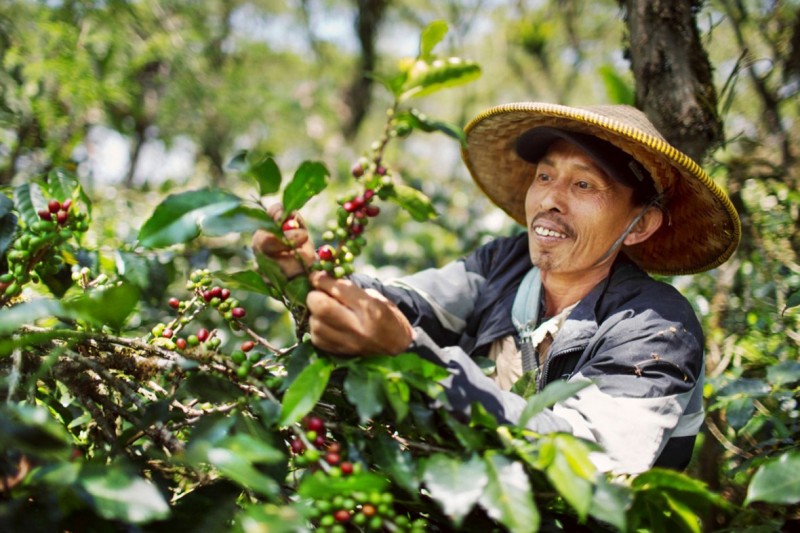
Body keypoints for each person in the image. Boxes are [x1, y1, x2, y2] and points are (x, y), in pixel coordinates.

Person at [252, 102, 741, 475]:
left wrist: (413, 355)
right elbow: (403, 304)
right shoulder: (504, 264)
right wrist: (302, 271)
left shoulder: (658, 327)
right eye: (545, 175)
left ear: (639, 225)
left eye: (585, 185)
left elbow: (581, 459)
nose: (549, 198)